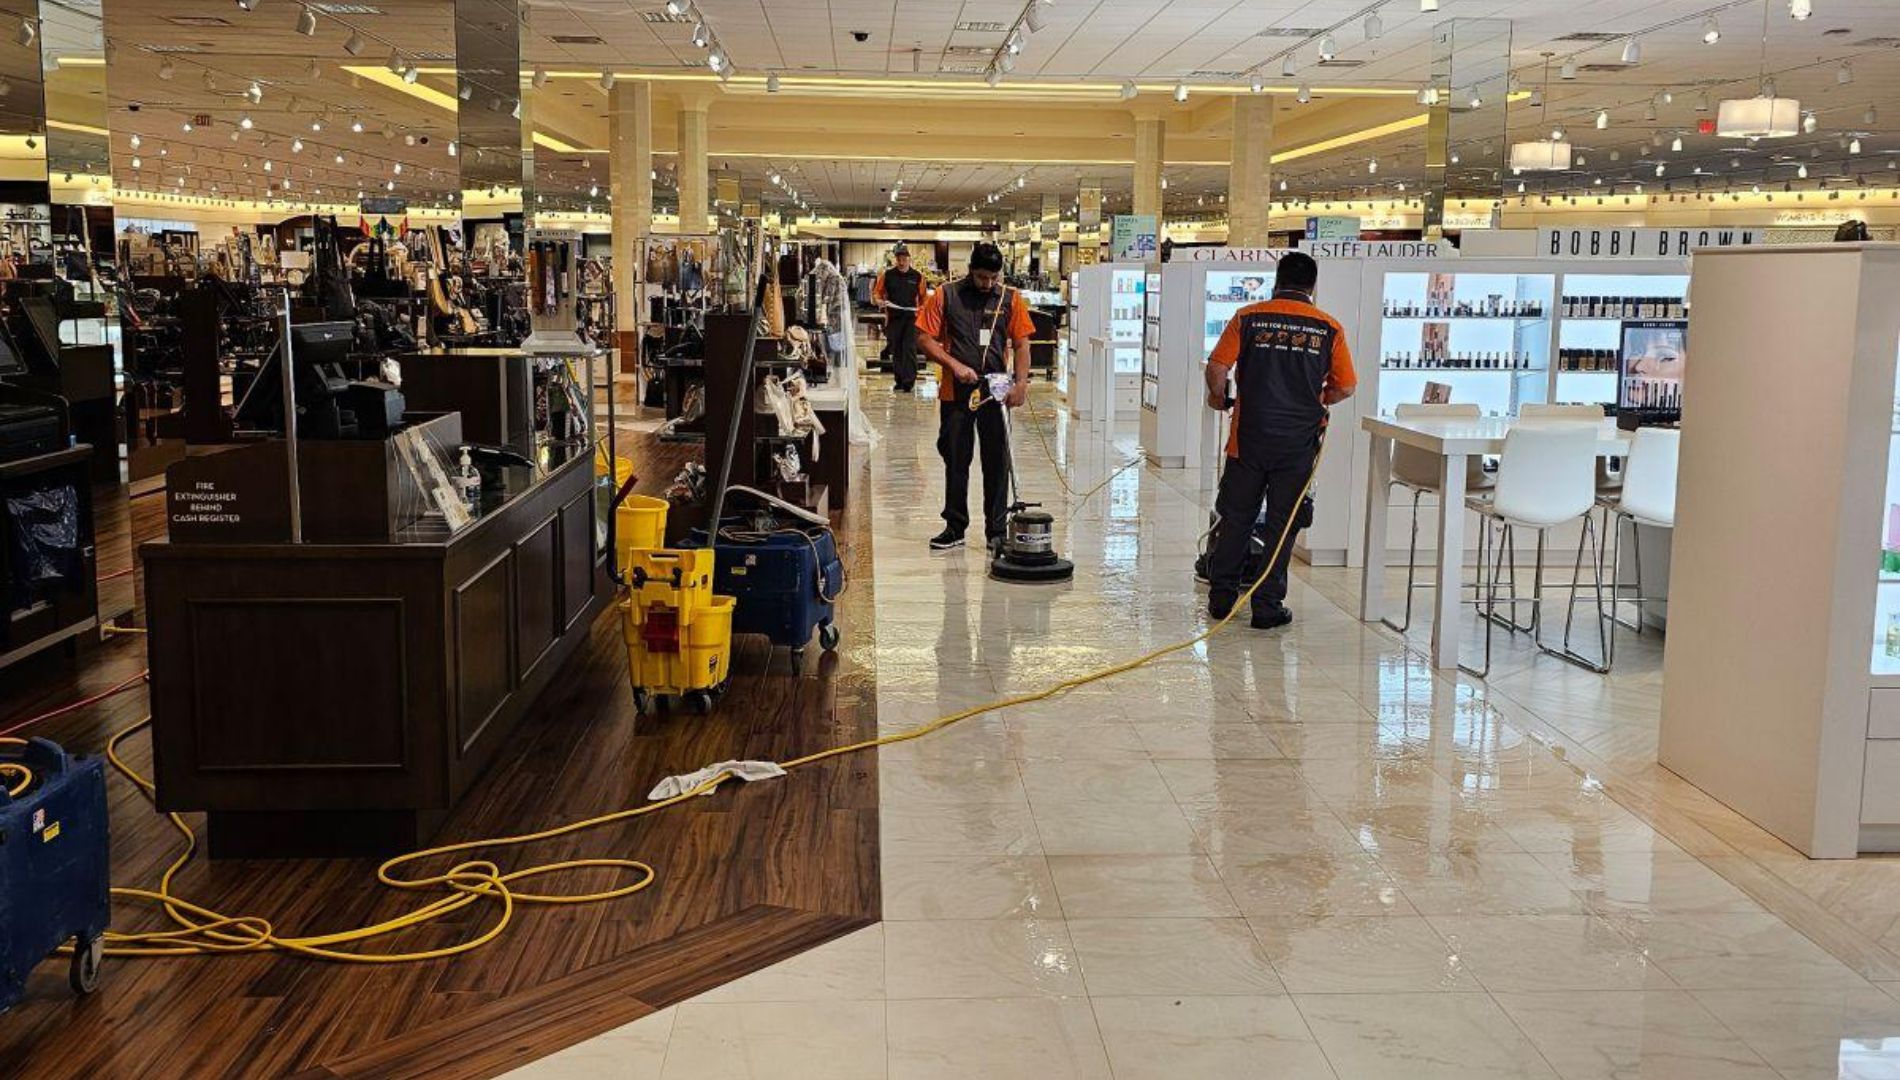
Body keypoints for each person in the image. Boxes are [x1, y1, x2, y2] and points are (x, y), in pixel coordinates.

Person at [1203, 252, 1356, 629]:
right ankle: (1267, 606)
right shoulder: (1329, 327)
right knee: (1283, 524)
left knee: (1236, 517)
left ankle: (1222, 598)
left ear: (1277, 279)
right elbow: (1346, 386)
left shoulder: (1248, 317)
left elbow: (1218, 366)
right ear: (1312, 286)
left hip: (1249, 438)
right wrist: (1319, 400)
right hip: (1298, 442)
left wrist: (1217, 397)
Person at [916, 242, 1034, 552]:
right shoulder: (947, 294)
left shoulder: (1010, 299)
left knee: (996, 461)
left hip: (996, 391)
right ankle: (955, 526)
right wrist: (954, 366)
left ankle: (996, 530)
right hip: (956, 391)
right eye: (982, 277)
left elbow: (1022, 344)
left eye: (993, 278)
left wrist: (1020, 384)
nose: (988, 284)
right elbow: (924, 338)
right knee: (956, 457)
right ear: (971, 271)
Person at [873, 243, 926, 393]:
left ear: (909, 259)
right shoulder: (887, 275)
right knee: (896, 350)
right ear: (896, 259)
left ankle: (909, 381)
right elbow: (877, 292)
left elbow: (924, 298)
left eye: (904, 259)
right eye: (899, 259)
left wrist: (922, 310)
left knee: (909, 349)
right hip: (894, 318)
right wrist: (879, 301)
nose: (901, 262)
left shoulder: (917, 277)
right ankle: (899, 380)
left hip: (911, 318)